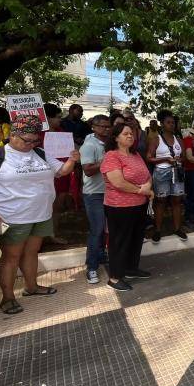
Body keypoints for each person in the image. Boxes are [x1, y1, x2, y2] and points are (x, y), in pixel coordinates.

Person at [0, 115, 79, 315]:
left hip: (41, 214)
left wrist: (72, 160)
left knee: (32, 252)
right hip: (11, 217)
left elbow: (62, 171)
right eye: (26, 140)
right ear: (13, 135)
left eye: (34, 140)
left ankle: (32, 287)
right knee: (11, 256)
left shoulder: (40, 152)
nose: (30, 144)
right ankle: (8, 298)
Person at [101, 122, 154, 291]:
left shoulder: (135, 154)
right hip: (119, 206)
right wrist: (141, 190)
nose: (130, 136)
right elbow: (118, 182)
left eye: (131, 133)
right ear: (116, 138)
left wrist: (147, 186)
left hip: (139, 204)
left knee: (135, 239)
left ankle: (131, 268)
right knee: (119, 241)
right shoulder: (112, 156)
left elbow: (147, 175)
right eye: (125, 134)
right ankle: (115, 277)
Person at [146, 109, 187, 241]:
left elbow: (184, 157)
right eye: (168, 122)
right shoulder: (156, 139)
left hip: (177, 171)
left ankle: (177, 228)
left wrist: (179, 159)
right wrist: (165, 159)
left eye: (173, 122)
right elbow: (149, 157)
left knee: (177, 200)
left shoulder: (179, 140)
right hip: (161, 172)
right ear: (162, 124)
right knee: (161, 201)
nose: (172, 125)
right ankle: (157, 230)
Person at [79, 114, 111, 284]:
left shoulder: (109, 143)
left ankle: (101, 255)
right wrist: (106, 160)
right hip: (94, 194)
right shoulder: (89, 145)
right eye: (102, 126)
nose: (106, 129)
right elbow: (88, 170)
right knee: (97, 229)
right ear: (94, 127)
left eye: (108, 126)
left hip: (111, 192)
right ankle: (91, 267)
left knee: (107, 229)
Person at [41, 103, 77, 244]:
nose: (60, 120)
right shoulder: (37, 135)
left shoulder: (61, 131)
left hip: (62, 173)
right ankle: (40, 236)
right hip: (45, 175)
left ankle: (52, 234)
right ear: (47, 118)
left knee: (57, 205)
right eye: (57, 117)